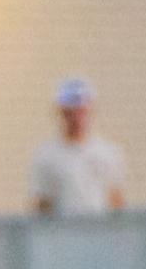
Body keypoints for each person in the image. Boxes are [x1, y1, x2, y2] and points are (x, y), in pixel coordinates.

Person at [32, 77, 125, 217]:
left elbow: (115, 200)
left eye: (81, 111)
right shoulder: (47, 156)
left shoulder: (108, 153)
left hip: (100, 234)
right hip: (63, 234)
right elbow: (43, 205)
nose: (76, 118)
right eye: (70, 112)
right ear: (61, 113)